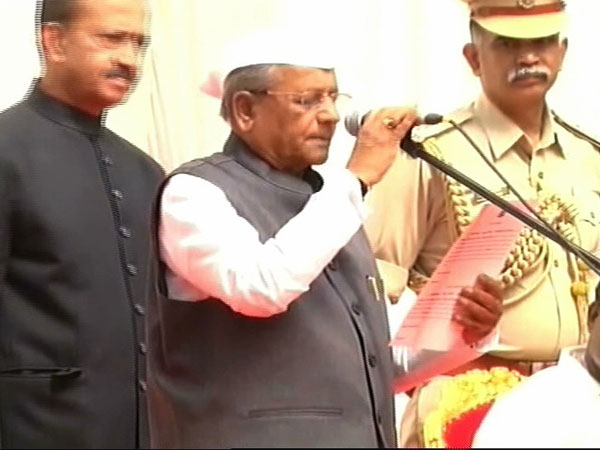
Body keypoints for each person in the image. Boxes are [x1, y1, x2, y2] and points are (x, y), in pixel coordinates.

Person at [146, 31, 503, 448]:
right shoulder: (195, 192)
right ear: (245, 110)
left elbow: (375, 365)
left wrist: (465, 331)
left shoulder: (331, 202)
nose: (331, 116)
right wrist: (357, 179)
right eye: (307, 100)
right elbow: (260, 287)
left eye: (333, 97)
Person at [365, 0, 600, 446]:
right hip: (465, 400)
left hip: (577, 401)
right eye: (507, 44)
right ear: (473, 58)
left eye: (542, 42)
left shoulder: (588, 156)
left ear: (563, 53)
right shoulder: (429, 154)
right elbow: (367, 293)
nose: (528, 57)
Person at [0, 0, 164, 447]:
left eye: (139, 43)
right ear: (54, 41)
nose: (129, 59)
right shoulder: (7, 150)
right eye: (112, 38)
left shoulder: (145, 171)